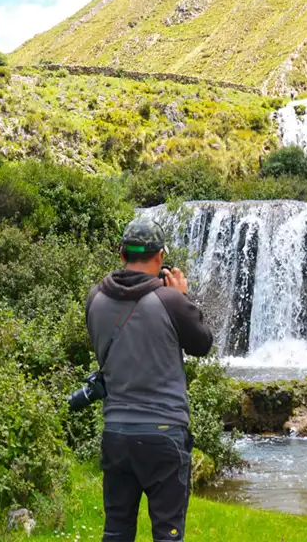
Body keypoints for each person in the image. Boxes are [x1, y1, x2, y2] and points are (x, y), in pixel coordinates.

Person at [85, 218, 213, 542]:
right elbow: (202, 344)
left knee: (116, 530)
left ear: (121, 253)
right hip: (163, 435)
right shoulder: (170, 301)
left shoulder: (95, 299)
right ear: (160, 257)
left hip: (116, 432)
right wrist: (184, 297)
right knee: (167, 534)